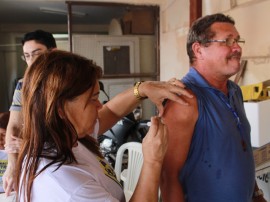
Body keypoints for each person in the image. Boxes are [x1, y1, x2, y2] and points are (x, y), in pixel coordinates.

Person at [14, 50, 192, 201]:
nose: (100, 105)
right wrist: (153, 161)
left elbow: (112, 112)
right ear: (60, 109)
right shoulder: (68, 186)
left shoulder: (68, 136)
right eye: (92, 99)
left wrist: (143, 89)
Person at [160, 13, 266, 202]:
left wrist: (256, 194)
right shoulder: (185, 100)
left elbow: (241, 151)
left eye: (237, 40)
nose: (237, 47)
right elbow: (168, 177)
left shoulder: (234, 91)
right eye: (227, 41)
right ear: (199, 50)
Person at [3, 30, 57, 196]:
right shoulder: (23, 85)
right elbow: (14, 125)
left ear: (53, 52)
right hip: (34, 160)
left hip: (61, 159)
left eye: (37, 54)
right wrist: (12, 166)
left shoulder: (67, 83)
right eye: (27, 55)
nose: (32, 61)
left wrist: (32, 145)